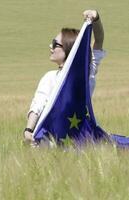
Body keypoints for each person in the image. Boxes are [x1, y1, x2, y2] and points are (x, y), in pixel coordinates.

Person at [23, 10, 106, 144]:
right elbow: (38, 104)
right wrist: (28, 130)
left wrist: (96, 19)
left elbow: (99, 40)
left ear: (69, 49)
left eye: (55, 44)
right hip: (81, 142)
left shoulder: (85, 75)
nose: (50, 46)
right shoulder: (84, 76)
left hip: (51, 142)